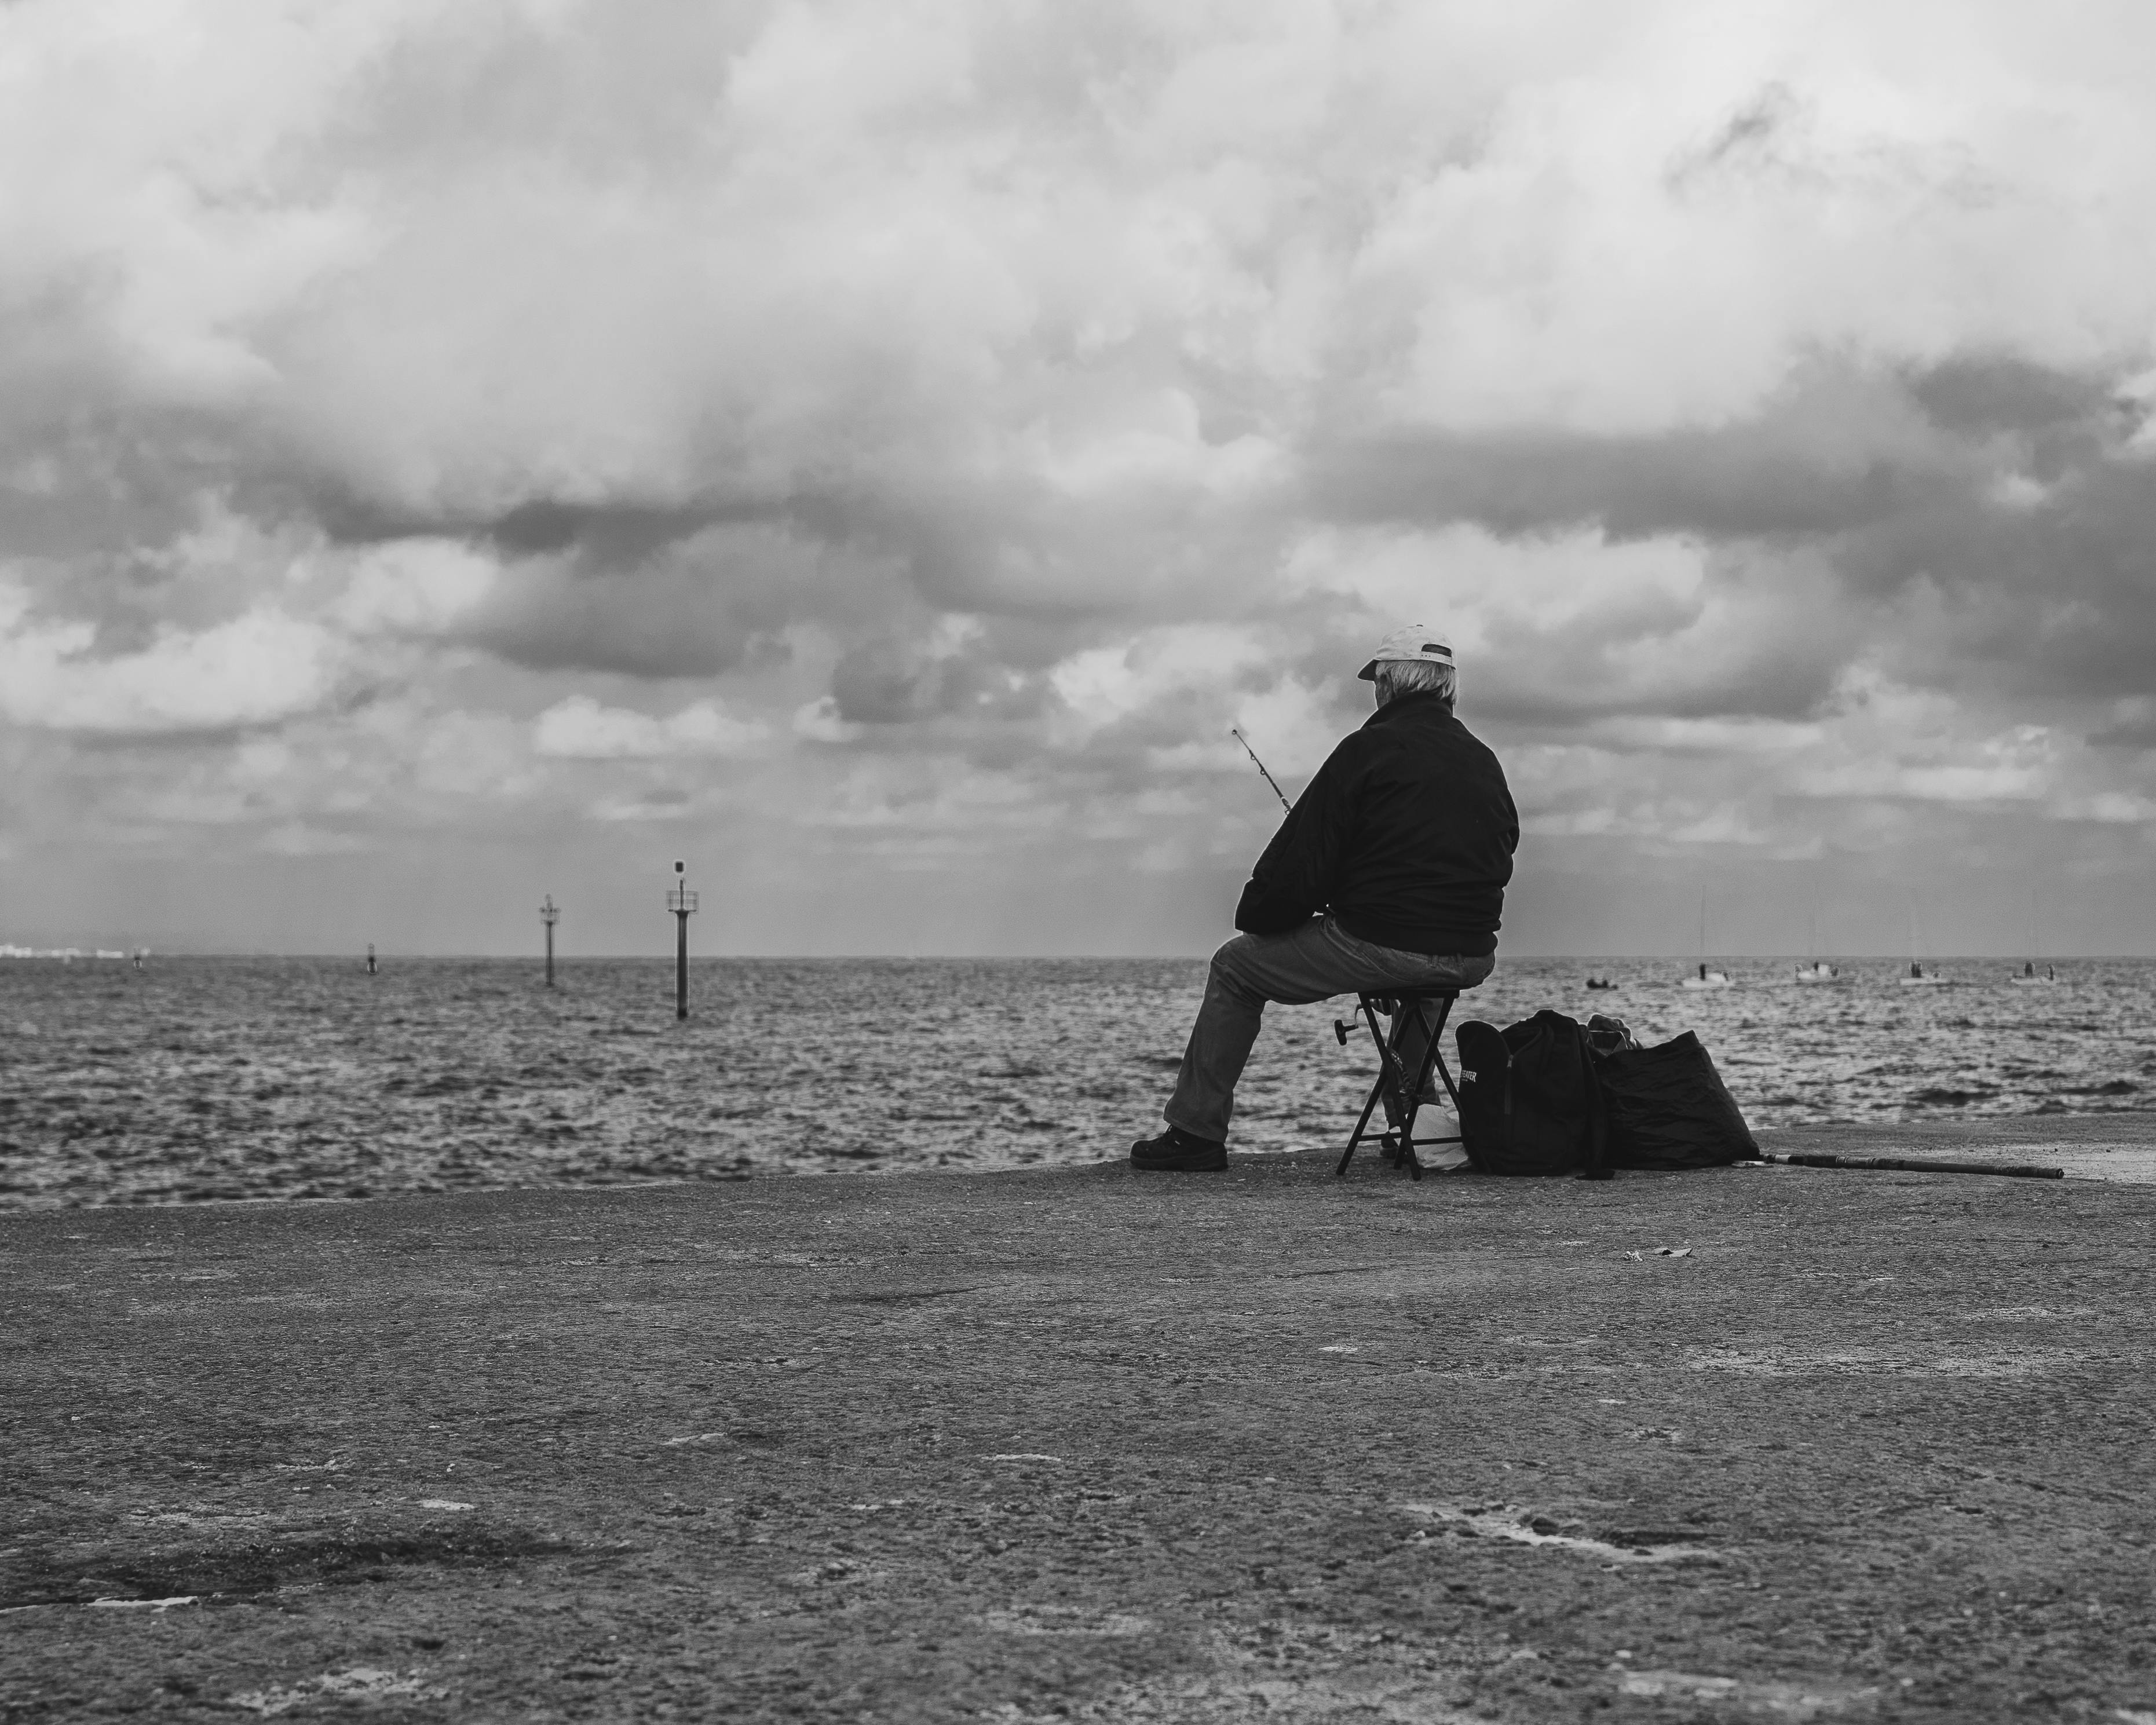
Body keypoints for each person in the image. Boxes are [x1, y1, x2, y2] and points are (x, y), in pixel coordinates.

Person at [1130, 624, 1518, 1172]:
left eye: (1377, 683)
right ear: (1446, 687)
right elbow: (1501, 848)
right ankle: (1415, 1124)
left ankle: (1195, 1133)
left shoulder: (1366, 750)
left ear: (1389, 685)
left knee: (1235, 968)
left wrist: (1260, 914)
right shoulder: (1484, 760)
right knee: (1421, 987)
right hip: (1471, 953)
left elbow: (1303, 859)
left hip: (1385, 943)